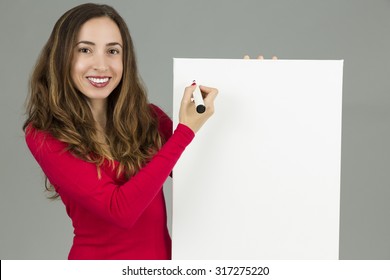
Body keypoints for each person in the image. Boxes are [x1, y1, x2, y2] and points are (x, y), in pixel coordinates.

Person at [23, 3, 217, 260]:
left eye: (112, 51)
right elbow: (120, 211)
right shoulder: (44, 134)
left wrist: (261, 83)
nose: (101, 65)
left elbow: (212, 177)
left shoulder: (148, 117)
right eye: (85, 50)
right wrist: (184, 131)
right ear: (62, 56)